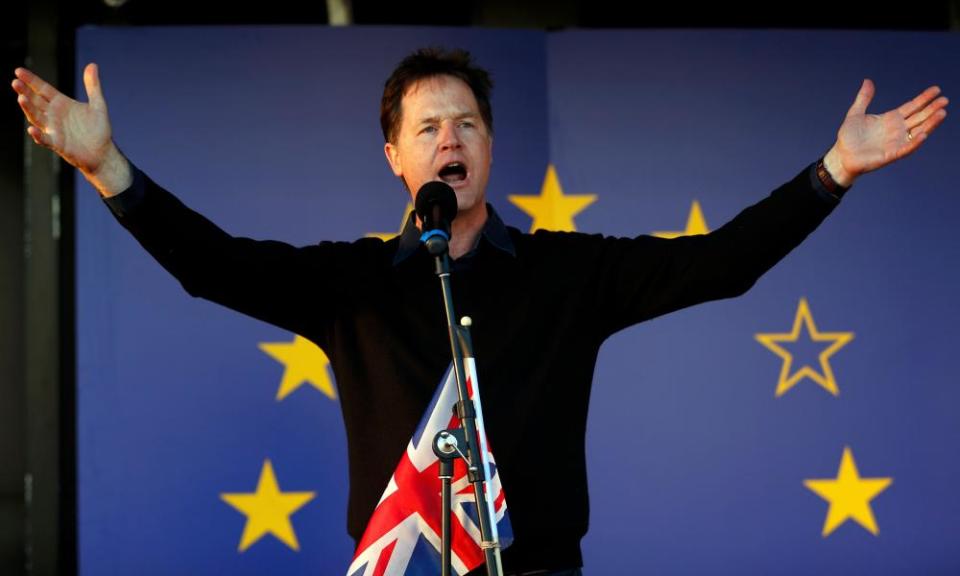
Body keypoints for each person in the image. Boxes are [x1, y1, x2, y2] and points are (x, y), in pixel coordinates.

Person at [11, 48, 948, 575]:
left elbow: (721, 265)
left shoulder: (566, 276)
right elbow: (212, 266)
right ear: (395, 157)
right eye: (428, 127)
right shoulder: (352, 285)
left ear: (489, 150)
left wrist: (833, 172)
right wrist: (107, 170)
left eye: (467, 125)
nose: (449, 140)